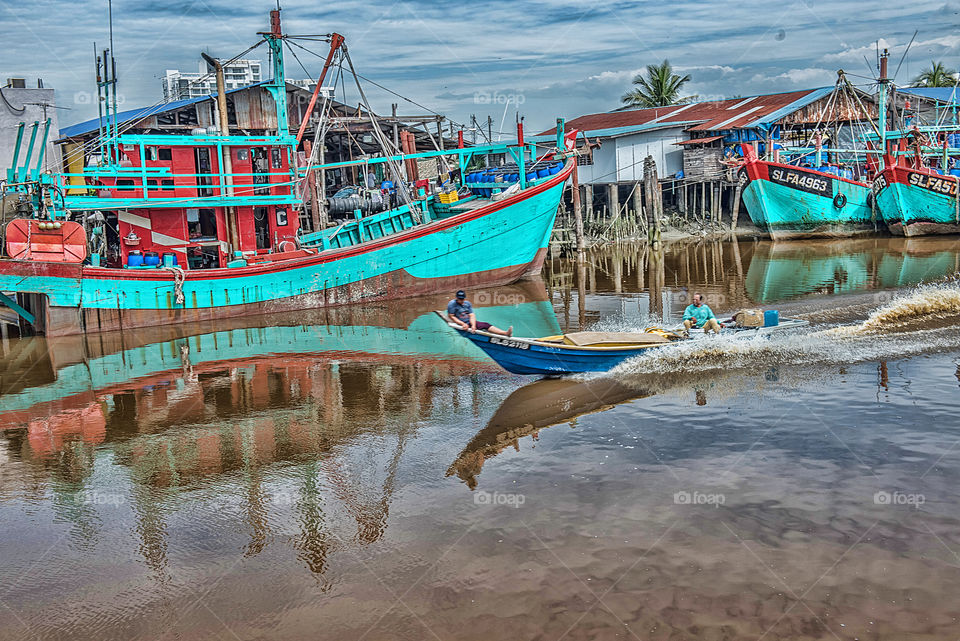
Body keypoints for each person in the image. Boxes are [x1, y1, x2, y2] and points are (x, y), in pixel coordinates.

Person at [447, 290, 512, 336]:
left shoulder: (467, 304)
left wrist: (473, 325)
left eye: (462, 299)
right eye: (460, 299)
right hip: (461, 322)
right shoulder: (452, 304)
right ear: (456, 298)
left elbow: (472, 315)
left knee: (485, 325)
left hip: (468, 321)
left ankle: (505, 333)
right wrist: (462, 324)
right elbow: (451, 316)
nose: (461, 300)